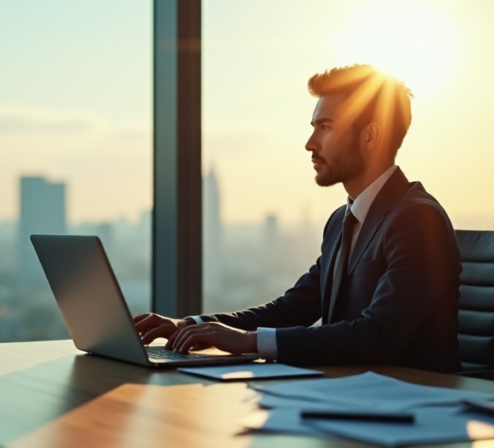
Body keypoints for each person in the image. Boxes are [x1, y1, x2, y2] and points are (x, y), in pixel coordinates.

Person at [133, 64, 462, 373]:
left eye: (326, 127)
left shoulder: (417, 219)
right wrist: (190, 325)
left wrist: (250, 342)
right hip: (347, 397)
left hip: (409, 410)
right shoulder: (342, 221)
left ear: (370, 136)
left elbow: (377, 335)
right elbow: (291, 310)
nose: (310, 143)